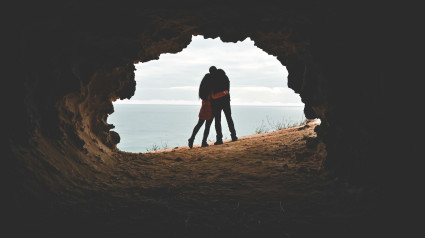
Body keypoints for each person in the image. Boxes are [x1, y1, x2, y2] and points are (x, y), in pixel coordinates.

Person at [210, 67, 237, 145]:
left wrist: (214, 97)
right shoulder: (226, 78)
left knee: (217, 121)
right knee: (229, 118)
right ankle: (233, 136)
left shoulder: (213, 79)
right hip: (226, 101)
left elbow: (212, 91)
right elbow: (227, 91)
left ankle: (219, 139)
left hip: (216, 102)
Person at [188, 69, 215, 148]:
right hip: (210, 107)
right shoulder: (211, 88)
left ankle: (192, 138)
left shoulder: (202, 88)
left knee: (199, 124)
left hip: (204, 106)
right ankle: (203, 142)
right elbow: (213, 96)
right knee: (208, 125)